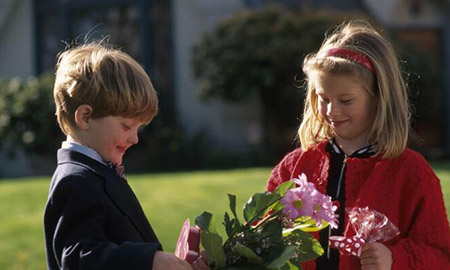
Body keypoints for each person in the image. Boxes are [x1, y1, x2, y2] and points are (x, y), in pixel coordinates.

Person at [266, 21, 450, 270]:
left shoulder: (411, 173)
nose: (332, 110)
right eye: (323, 98)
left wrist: (395, 259)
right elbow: (261, 242)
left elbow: (440, 257)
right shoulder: (294, 167)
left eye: (346, 100)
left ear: (378, 97)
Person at [44, 42, 209, 270]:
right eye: (126, 126)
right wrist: (149, 260)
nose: (135, 138)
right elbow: (78, 259)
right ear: (85, 117)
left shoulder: (98, 171)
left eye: (138, 128)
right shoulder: (75, 181)